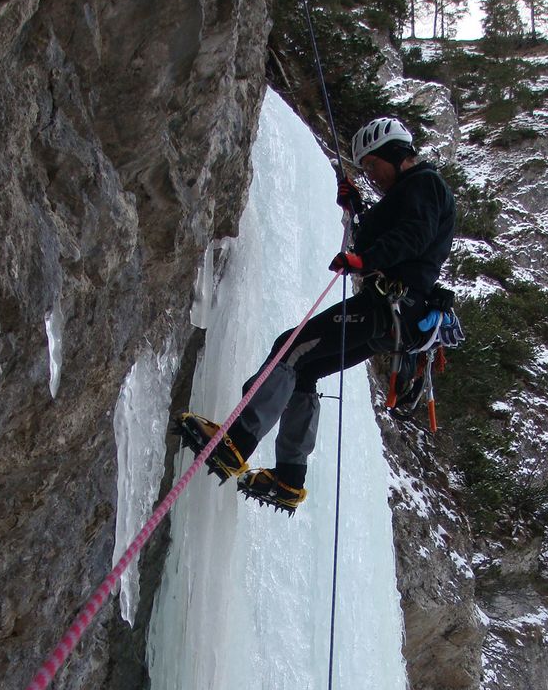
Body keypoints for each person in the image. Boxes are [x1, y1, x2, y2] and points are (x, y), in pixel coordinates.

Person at [176, 116, 456, 513]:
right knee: (305, 369)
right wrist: (356, 207)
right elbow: (384, 232)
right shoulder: (410, 194)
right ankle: (289, 479)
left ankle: (236, 441)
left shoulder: (425, 185)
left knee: (287, 349)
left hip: (387, 308)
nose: (371, 175)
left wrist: (365, 259)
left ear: (394, 154)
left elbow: (412, 237)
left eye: (373, 166)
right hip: (393, 318)